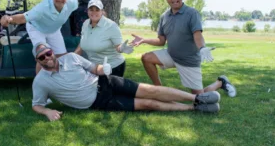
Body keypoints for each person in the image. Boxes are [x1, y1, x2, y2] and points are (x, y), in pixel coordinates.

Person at [31, 43, 221, 122]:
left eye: (49, 53)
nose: (47, 58)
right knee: (147, 104)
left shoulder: (72, 57)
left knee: (151, 91)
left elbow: (94, 68)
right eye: (42, 57)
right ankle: (194, 108)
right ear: (38, 61)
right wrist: (47, 111)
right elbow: (36, 105)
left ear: (52, 52)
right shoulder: (41, 82)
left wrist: (102, 70)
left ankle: (197, 97)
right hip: (98, 102)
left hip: (107, 82)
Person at [130, 0, 236, 97]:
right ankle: (159, 90)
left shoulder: (192, 13)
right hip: (171, 55)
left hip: (188, 60)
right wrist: (144, 40)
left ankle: (220, 82)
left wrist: (202, 48)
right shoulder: (164, 16)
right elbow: (161, 41)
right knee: (146, 58)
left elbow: (197, 34)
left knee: (198, 98)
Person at [0, 0, 78, 74]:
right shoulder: (43, 7)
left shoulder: (73, 3)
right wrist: (9, 18)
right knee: (43, 54)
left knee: (62, 56)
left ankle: (61, 81)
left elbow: (87, 10)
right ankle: (39, 86)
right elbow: (23, 18)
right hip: (36, 28)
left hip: (54, 30)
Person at [74, 0, 133, 77]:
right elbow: (82, 43)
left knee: (110, 89)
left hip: (113, 67)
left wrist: (122, 48)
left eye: (97, 10)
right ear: (87, 11)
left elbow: (118, 46)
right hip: (95, 68)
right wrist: (72, 58)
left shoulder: (111, 26)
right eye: (91, 9)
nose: (94, 12)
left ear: (102, 11)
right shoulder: (85, 24)